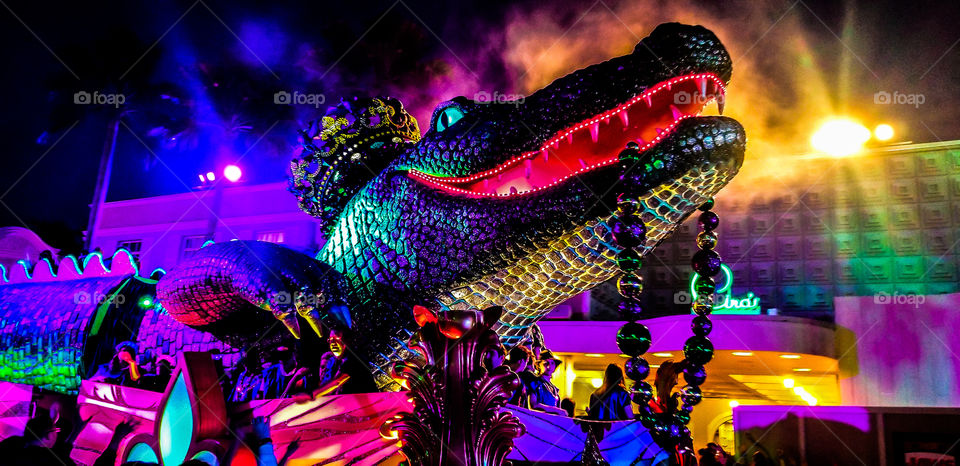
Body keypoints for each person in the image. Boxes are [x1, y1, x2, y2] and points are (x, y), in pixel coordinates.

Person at [8, 415, 74, 466]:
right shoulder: (56, 460)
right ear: (48, 435)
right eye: (56, 430)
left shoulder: (11, 443)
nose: (57, 434)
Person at [527, 351, 566, 415]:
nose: (549, 366)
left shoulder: (554, 388)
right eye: (546, 363)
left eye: (552, 363)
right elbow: (534, 405)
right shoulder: (535, 383)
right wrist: (556, 410)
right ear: (539, 365)